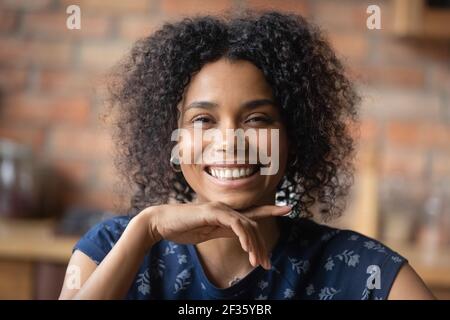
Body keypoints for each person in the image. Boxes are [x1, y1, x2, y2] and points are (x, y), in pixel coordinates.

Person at [59, 11, 434, 300]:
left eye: (257, 118)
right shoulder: (112, 247)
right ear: (172, 141)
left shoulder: (358, 268)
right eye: (203, 119)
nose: (230, 140)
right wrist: (147, 229)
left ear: (294, 137)